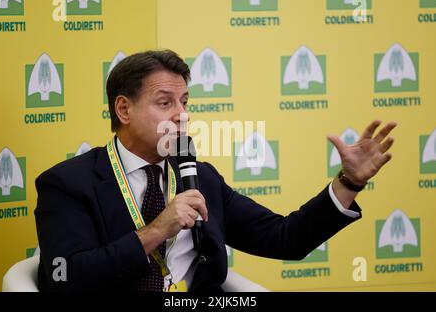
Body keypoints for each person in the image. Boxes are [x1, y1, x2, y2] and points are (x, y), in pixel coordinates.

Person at [34, 49, 397, 292]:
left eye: (185, 102)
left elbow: (284, 237)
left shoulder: (199, 175)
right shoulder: (68, 183)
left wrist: (349, 182)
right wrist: (158, 229)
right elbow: (62, 277)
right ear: (124, 110)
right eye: (165, 103)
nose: (182, 114)